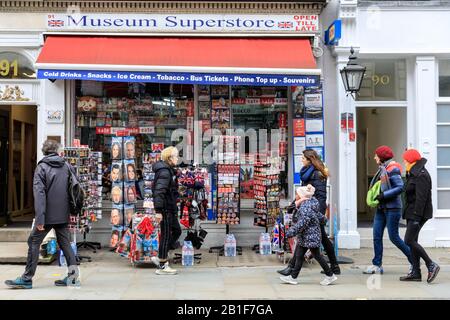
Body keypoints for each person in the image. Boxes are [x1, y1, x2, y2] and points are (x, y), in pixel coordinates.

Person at [5, 140, 80, 289]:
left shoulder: (41, 168)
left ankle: (27, 279)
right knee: (65, 244)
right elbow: (74, 189)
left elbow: (39, 195)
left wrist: (40, 218)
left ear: (44, 151)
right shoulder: (66, 166)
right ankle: (73, 277)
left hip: (47, 216)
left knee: (33, 241)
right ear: (58, 151)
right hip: (63, 214)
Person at [278, 149, 340, 276]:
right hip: (311, 209)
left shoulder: (317, 174)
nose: (301, 160)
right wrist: (293, 205)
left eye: (303, 158)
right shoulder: (308, 172)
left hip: (315, 210)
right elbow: (304, 193)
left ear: (309, 160)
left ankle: (292, 269)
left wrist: (318, 213)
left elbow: (321, 196)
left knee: (305, 238)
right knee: (322, 238)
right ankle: (334, 267)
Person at [363, 145, 413, 274]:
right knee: (376, 236)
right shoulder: (383, 168)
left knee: (394, 237)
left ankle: (414, 261)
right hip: (382, 207)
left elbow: (400, 187)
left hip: (393, 208)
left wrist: (383, 195)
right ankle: (377, 265)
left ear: (381, 157)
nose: (374, 158)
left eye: (376, 155)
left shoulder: (393, 169)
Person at [279, 185, 338, 286]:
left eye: (297, 194)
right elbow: (320, 217)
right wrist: (323, 220)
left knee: (317, 256)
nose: (296, 196)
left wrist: (290, 233)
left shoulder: (305, 208)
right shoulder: (309, 205)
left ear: (302, 196)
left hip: (310, 236)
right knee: (299, 256)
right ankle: (293, 277)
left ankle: (330, 275)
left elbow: (301, 224)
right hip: (307, 236)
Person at [400, 149, 440, 283]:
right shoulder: (413, 173)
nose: (404, 162)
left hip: (418, 214)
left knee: (408, 240)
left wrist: (416, 217)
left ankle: (431, 264)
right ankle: (416, 273)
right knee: (413, 242)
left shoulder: (421, 175)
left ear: (411, 161)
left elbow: (421, 199)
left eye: (405, 160)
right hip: (412, 213)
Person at [150, 146, 182, 275]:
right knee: (166, 234)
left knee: (176, 231)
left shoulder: (168, 170)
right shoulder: (165, 172)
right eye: (176, 156)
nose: (177, 158)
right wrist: (158, 210)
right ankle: (162, 265)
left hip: (169, 207)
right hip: (165, 209)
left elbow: (167, 190)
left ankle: (161, 256)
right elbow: (159, 191)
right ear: (169, 158)